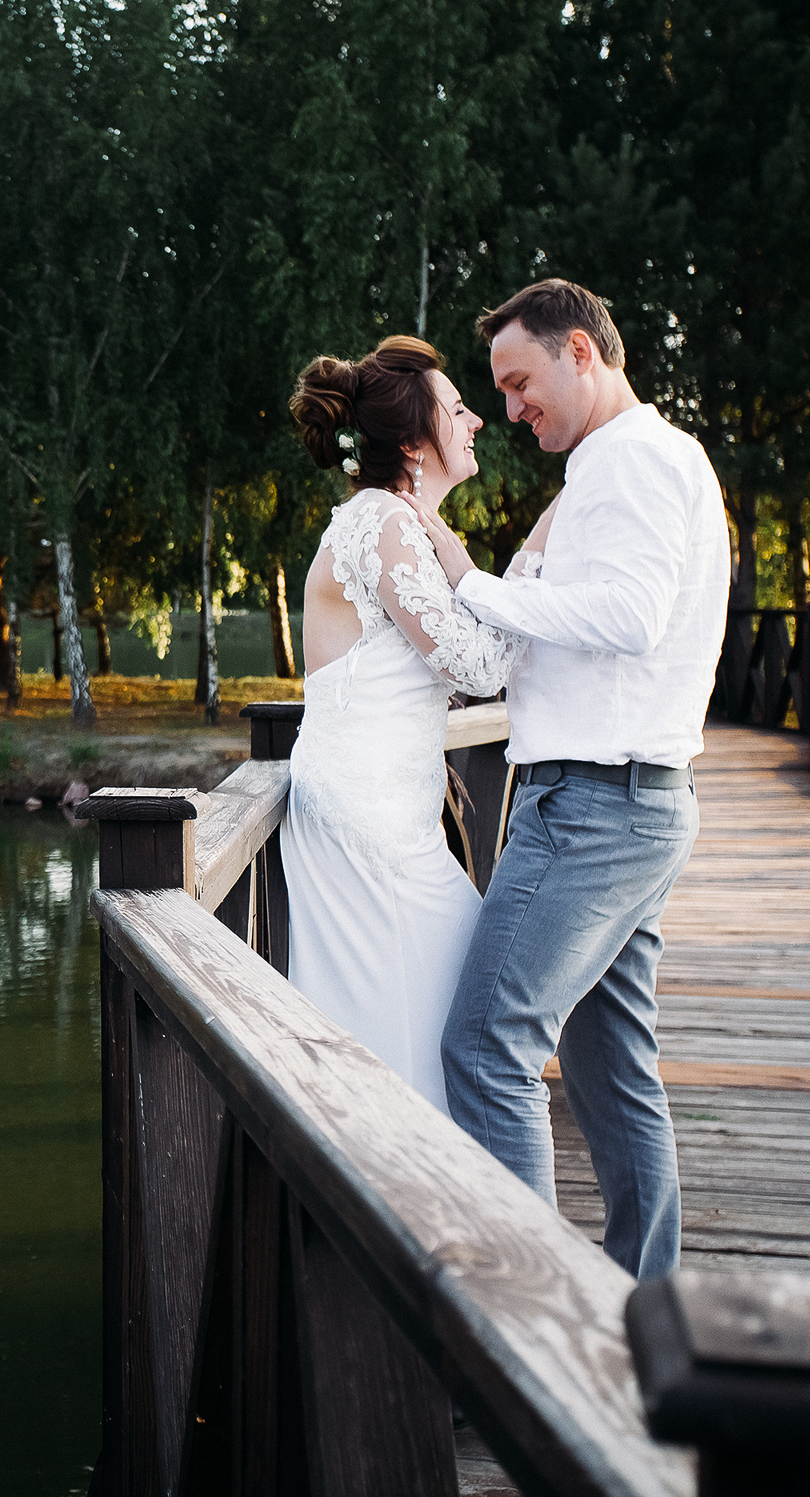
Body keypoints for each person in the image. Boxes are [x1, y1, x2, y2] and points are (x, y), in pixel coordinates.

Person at [409, 278, 727, 1281]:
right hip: (630, 802)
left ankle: (531, 1326)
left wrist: (470, 581)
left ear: (581, 353)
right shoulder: (634, 462)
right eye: (497, 392)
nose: (509, 408)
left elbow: (629, 617)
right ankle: (643, 1309)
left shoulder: (630, 462)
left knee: (485, 1046)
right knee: (612, 1070)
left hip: (593, 806)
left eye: (519, 380)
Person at [281, 336, 530, 1111]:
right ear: (418, 440)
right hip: (369, 825)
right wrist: (525, 576)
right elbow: (479, 670)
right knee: (425, 1027)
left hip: (387, 816)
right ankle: (413, 1203)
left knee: (428, 1022)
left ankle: (413, 1195)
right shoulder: (383, 524)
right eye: (458, 409)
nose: (477, 421)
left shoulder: (390, 521)